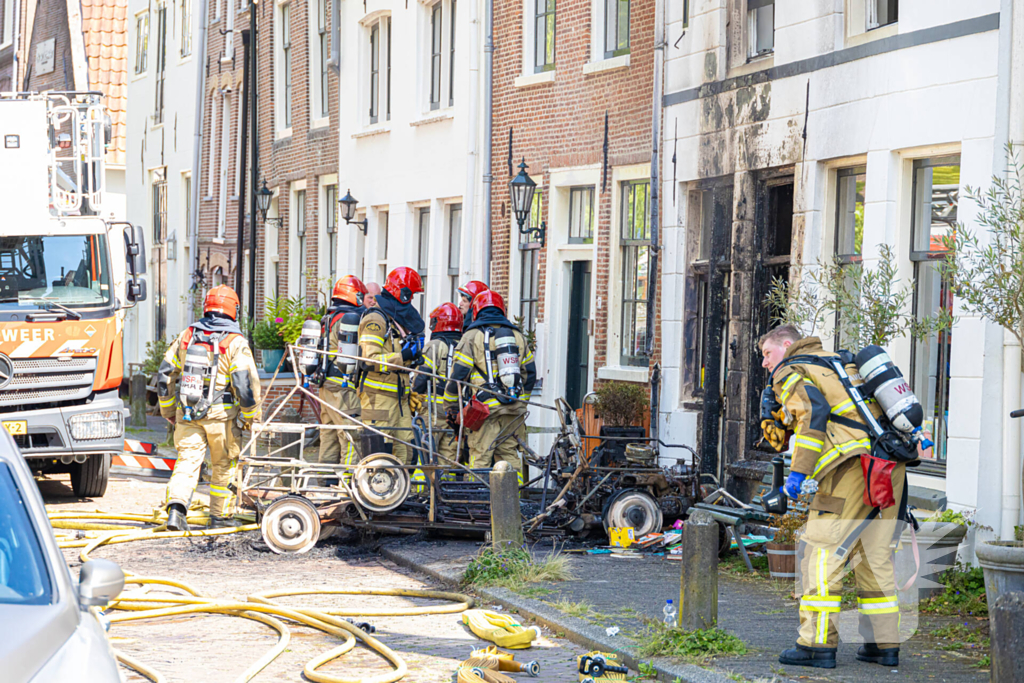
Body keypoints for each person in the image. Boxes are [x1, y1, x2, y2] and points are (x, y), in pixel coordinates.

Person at [760, 324, 910, 670]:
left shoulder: (792, 370)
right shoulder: (840, 363)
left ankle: (816, 644)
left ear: (787, 344)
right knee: (875, 555)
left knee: (822, 551)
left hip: (850, 469)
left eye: (768, 354)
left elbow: (813, 415)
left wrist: (798, 472)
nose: (766, 364)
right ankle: (883, 645)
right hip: (888, 466)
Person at [156, 286, 261, 531]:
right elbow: (245, 386)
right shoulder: (236, 343)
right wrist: (248, 418)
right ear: (233, 310)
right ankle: (220, 518)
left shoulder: (187, 335)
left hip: (188, 415)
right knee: (223, 466)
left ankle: (176, 511)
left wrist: (169, 412)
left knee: (187, 463)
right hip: (221, 419)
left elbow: (164, 375)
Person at [443, 291, 535, 482]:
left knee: (480, 457)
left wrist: (451, 406)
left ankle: (479, 504)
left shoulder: (471, 336)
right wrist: (520, 403)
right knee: (510, 457)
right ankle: (512, 502)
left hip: (486, 410)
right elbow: (530, 374)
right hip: (514, 411)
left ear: (476, 311)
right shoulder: (518, 336)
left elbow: (459, 375)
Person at [357, 267, 425, 465]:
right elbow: (370, 360)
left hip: (399, 399)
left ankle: (400, 494)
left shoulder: (393, 320)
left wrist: (412, 357)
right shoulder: (375, 319)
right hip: (377, 399)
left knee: (405, 455)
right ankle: (375, 495)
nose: (411, 301)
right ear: (402, 294)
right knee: (379, 455)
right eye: (410, 296)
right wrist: (403, 356)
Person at [317, 275, 367, 473]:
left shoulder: (329, 317)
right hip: (343, 388)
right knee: (351, 437)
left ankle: (324, 484)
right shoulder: (349, 321)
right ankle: (347, 489)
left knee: (328, 438)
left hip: (325, 385)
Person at [413, 303, 464, 467]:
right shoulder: (464, 346)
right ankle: (446, 491)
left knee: (427, 454)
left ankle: (424, 490)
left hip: (433, 409)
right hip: (456, 411)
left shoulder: (434, 346)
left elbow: (421, 378)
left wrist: (412, 394)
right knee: (448, 458)